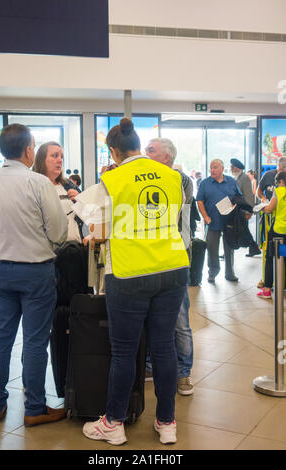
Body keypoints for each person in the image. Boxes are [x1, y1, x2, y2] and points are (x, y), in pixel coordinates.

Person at [76, 119, 189, 445]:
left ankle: (113, 423)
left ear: (113, 151)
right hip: (172, 269)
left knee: (124, 353)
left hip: (129, 274)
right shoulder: (172, 176)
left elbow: (98, 229)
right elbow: (175, 218)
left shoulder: (111, 180)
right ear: (139, 146)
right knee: (164, 347)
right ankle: (167, 423)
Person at [0, 124, 68, 426]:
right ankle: (35, 408)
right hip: (35, 271)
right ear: (29, 150)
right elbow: (59, 232)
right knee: (34, 341)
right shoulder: (38, 183)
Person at [145, 137, 194, 395]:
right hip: (150, 258)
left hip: (175, 258)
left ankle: (184, 373)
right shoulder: (149, 179)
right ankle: (152, 365)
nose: (145, 154)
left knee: (180, 319)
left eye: (150, 150)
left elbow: (165, 208)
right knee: (153, 317)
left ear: (166, 157)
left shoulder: (181, 180)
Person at [197, 159, 242, 283]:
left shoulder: (232, 182)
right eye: (211, 167)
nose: (212, 170)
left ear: (222, 168)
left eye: (215, 167)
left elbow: (239, 197)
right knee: (212, 249)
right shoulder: (204, 183)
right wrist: (205, 216)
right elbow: (199, 201)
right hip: (212, 222)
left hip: (229, 222)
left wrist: (235, 205)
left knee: (229, 248)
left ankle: (230, 273)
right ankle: (212, 272)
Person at [33, 142, 83, 243]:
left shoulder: (67, 184)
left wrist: (80, 200)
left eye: (61, 157)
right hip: (48, 252)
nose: (60, 160)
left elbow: (89, 214)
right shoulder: (33, 186)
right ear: (41, 160)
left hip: (75, 249)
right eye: (54, 156)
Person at [257, 171, 286, 299]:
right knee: (285, 258)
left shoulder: (278, 192)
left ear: (280, 181)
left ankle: (267, 289)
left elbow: (269, 208)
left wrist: (262, 208)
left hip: (278, 231)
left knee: (270, 257)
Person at [230, 158, 261, 257]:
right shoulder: (237, 178)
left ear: (237, 168)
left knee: (243, 230)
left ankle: (253, 248)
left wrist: (249, 211)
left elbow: (248, 195)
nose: (231, 168)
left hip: (243, 210)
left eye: (232, 167)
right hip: (238, 210)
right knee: (243, 230)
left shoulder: (244, 178)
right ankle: (253, 248)